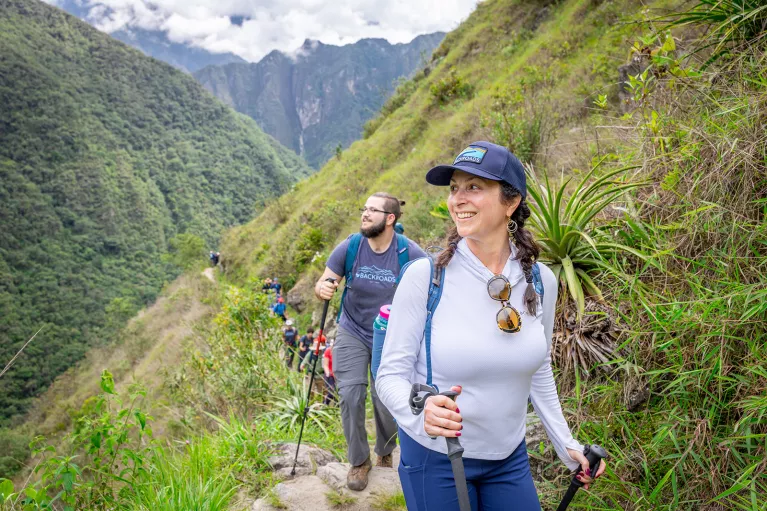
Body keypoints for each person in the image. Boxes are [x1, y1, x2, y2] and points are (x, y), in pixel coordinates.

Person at [375, 142, 606, 510]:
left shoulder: (541, 281)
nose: (458, 200)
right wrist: (421, 411)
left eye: (474, 188)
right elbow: (389, 375)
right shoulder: (426, 278)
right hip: (437, 457)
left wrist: (566, 443)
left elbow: (537, 366)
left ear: (511, 202)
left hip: (508, 459)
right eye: (454, 189)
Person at [315, 192, 427, 491]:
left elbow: (430, 291)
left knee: (385, 397)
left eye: (373, 210)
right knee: (350, 395)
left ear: (390, 218)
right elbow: (326, 280)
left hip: (390, 334)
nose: (365, 214)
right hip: (351, 329)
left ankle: (385, 451)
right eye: (364, 208)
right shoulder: (351, 246)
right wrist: (323, 288)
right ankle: (359, 461)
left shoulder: (409, 253)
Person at [322, 338, 337, 405]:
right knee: (331, 393)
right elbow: (325, 365)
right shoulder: (328, 351)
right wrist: (328, 372)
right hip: (330, 375)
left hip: (337, 375)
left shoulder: (339, 352)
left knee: (337, 393)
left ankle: (337, 408)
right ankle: (325, 403)